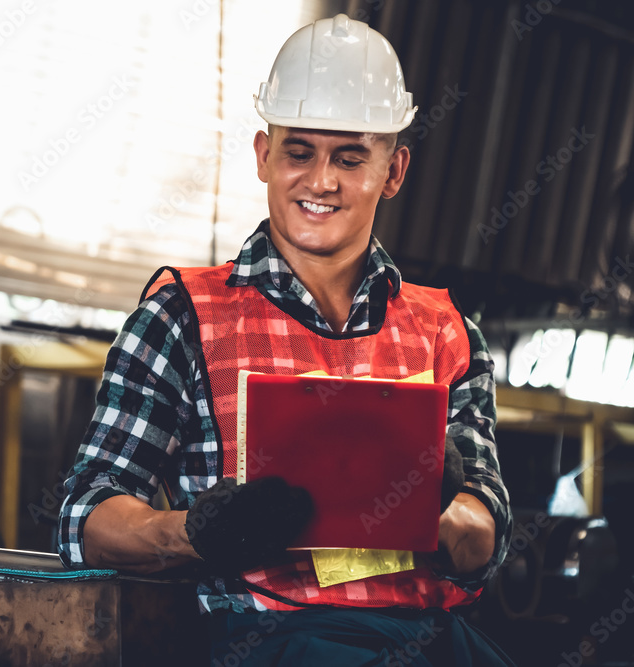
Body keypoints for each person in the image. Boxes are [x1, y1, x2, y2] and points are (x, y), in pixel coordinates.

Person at [57, 13, 514, 666]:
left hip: (435, 642)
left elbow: (485, 528)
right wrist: (191, 532)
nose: (321, 180)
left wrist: (446, 517)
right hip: (266, 642)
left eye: (350, 157)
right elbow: (83, 518)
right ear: (263, 155)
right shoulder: (182, 317)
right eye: (299, 151)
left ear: (395, 170)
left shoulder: (446, 331)